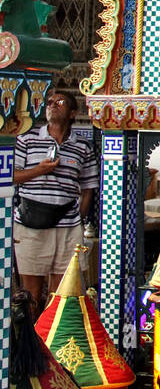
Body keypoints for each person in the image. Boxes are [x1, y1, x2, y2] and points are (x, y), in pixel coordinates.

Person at [13, 88, 97, 310]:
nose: (52, 105)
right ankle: (27, 343)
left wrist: (77, 218)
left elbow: (88, 187)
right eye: (49, 102)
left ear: (72, 112)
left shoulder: (82, 146)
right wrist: (39, 171)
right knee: (30, 295)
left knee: (62, 294)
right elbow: (11, 176)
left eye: (59, 102)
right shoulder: (27, 139)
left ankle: (50, 344)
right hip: (31, 225)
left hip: (68, 228)